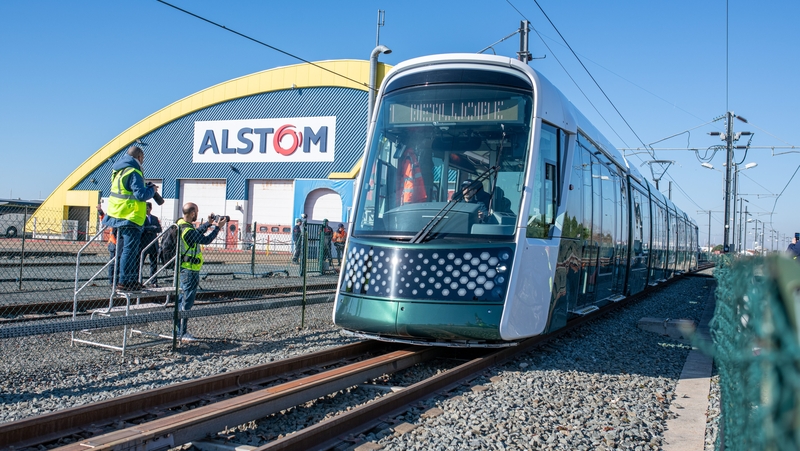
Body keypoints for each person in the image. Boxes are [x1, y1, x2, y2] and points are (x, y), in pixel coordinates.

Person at [101, 145, 157, 291]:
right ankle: (126, 281)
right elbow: (140, 195)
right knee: (130, 250)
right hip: (130, 216)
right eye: (143, 159)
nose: (143, 161)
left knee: (126, 250)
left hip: (117, 215)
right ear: (139, 157)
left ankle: (127, 280)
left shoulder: (118, 171)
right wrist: (152, 190)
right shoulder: (134, 171)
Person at [175, 202, 225, 342]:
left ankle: (179, 331)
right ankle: (181, 333)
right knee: (186, 302)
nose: (197, 214)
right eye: (196, 211)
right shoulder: (187, 230)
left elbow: (196, 234)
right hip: (189, 270)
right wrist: (217, 228)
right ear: (192, 213)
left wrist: (208, 224)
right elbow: (205, 240)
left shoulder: (181, 224)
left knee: (182, 301)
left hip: (185, 269)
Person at [96, 204, 122, 285]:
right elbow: (103, 218)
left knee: (118, 263)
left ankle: (116, 281)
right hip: (113, 243)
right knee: (113, 263)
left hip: (119, 243)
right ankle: (112, 281)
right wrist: (100, 211)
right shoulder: (112, 217)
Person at [141, 202, 162, 284]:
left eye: (147, 208)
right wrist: (150, 228)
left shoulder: (154, 218)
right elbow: (142, 228)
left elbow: (159, 229)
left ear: (150, 208)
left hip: (153, 243)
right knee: (140, 263)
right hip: (144, 244)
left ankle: (153, 281)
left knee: (154, 263)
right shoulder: (141, 218)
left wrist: (152, 228)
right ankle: (139, 280)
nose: (146, 209)